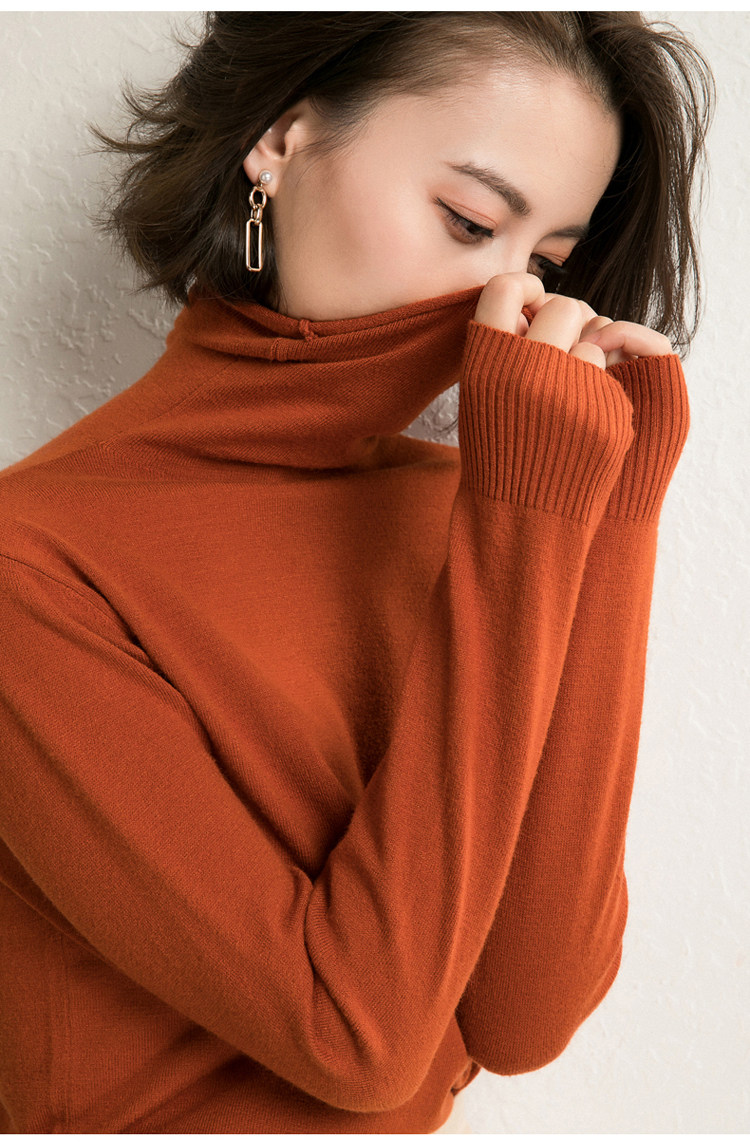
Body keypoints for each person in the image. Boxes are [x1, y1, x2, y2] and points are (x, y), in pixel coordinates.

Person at [0, 12, 714, 1135]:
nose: (507, 295)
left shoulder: (486, 515)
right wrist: (522, 523)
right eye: (469, 220)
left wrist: (609, 517)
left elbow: (523, 1016)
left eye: (547, 262)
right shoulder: (31, 568)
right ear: (280, 142)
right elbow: (356, 1036)